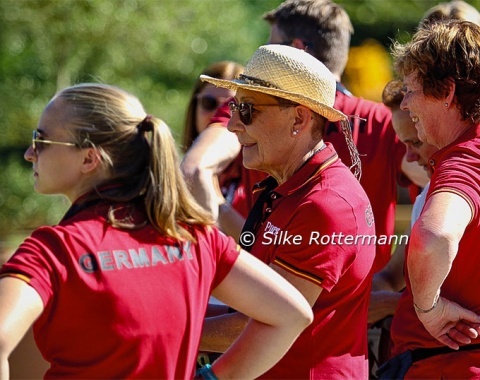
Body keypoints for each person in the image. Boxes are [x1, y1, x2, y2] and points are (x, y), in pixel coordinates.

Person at [0, 83, 315, 379]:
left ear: (89, 157)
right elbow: (292, 314)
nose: (30, 153)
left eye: (40, 140)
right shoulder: (195, 236)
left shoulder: (55, 248)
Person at [182, 0, 427, 273]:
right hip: (356, 310)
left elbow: (194, 168)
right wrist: (389, 288)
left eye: (272, 45)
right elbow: (434, 189)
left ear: (296, 49)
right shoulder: (381, 121)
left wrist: (246, 250)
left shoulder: (251, 107)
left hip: (270, 301)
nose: (236, 124)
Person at [199, 44, 376, 379]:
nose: (233, 125)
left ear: (299, 117)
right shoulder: (297, 189)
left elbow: (261, 321)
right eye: (234, 107)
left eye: (247, 110)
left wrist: (160, 328)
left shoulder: (325, 205)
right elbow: (250, 306)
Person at [378, 20, 480, 378]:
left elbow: (434, 236)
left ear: (447, 91)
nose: (405, 104)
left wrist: (428, 308)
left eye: (410, 90)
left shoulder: (467, 158)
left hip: (445, 365)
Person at [181, 60, 243, 153]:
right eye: (208, 102)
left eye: (231, 106)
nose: (217, 115)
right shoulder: (178, 165)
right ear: (195, 105)